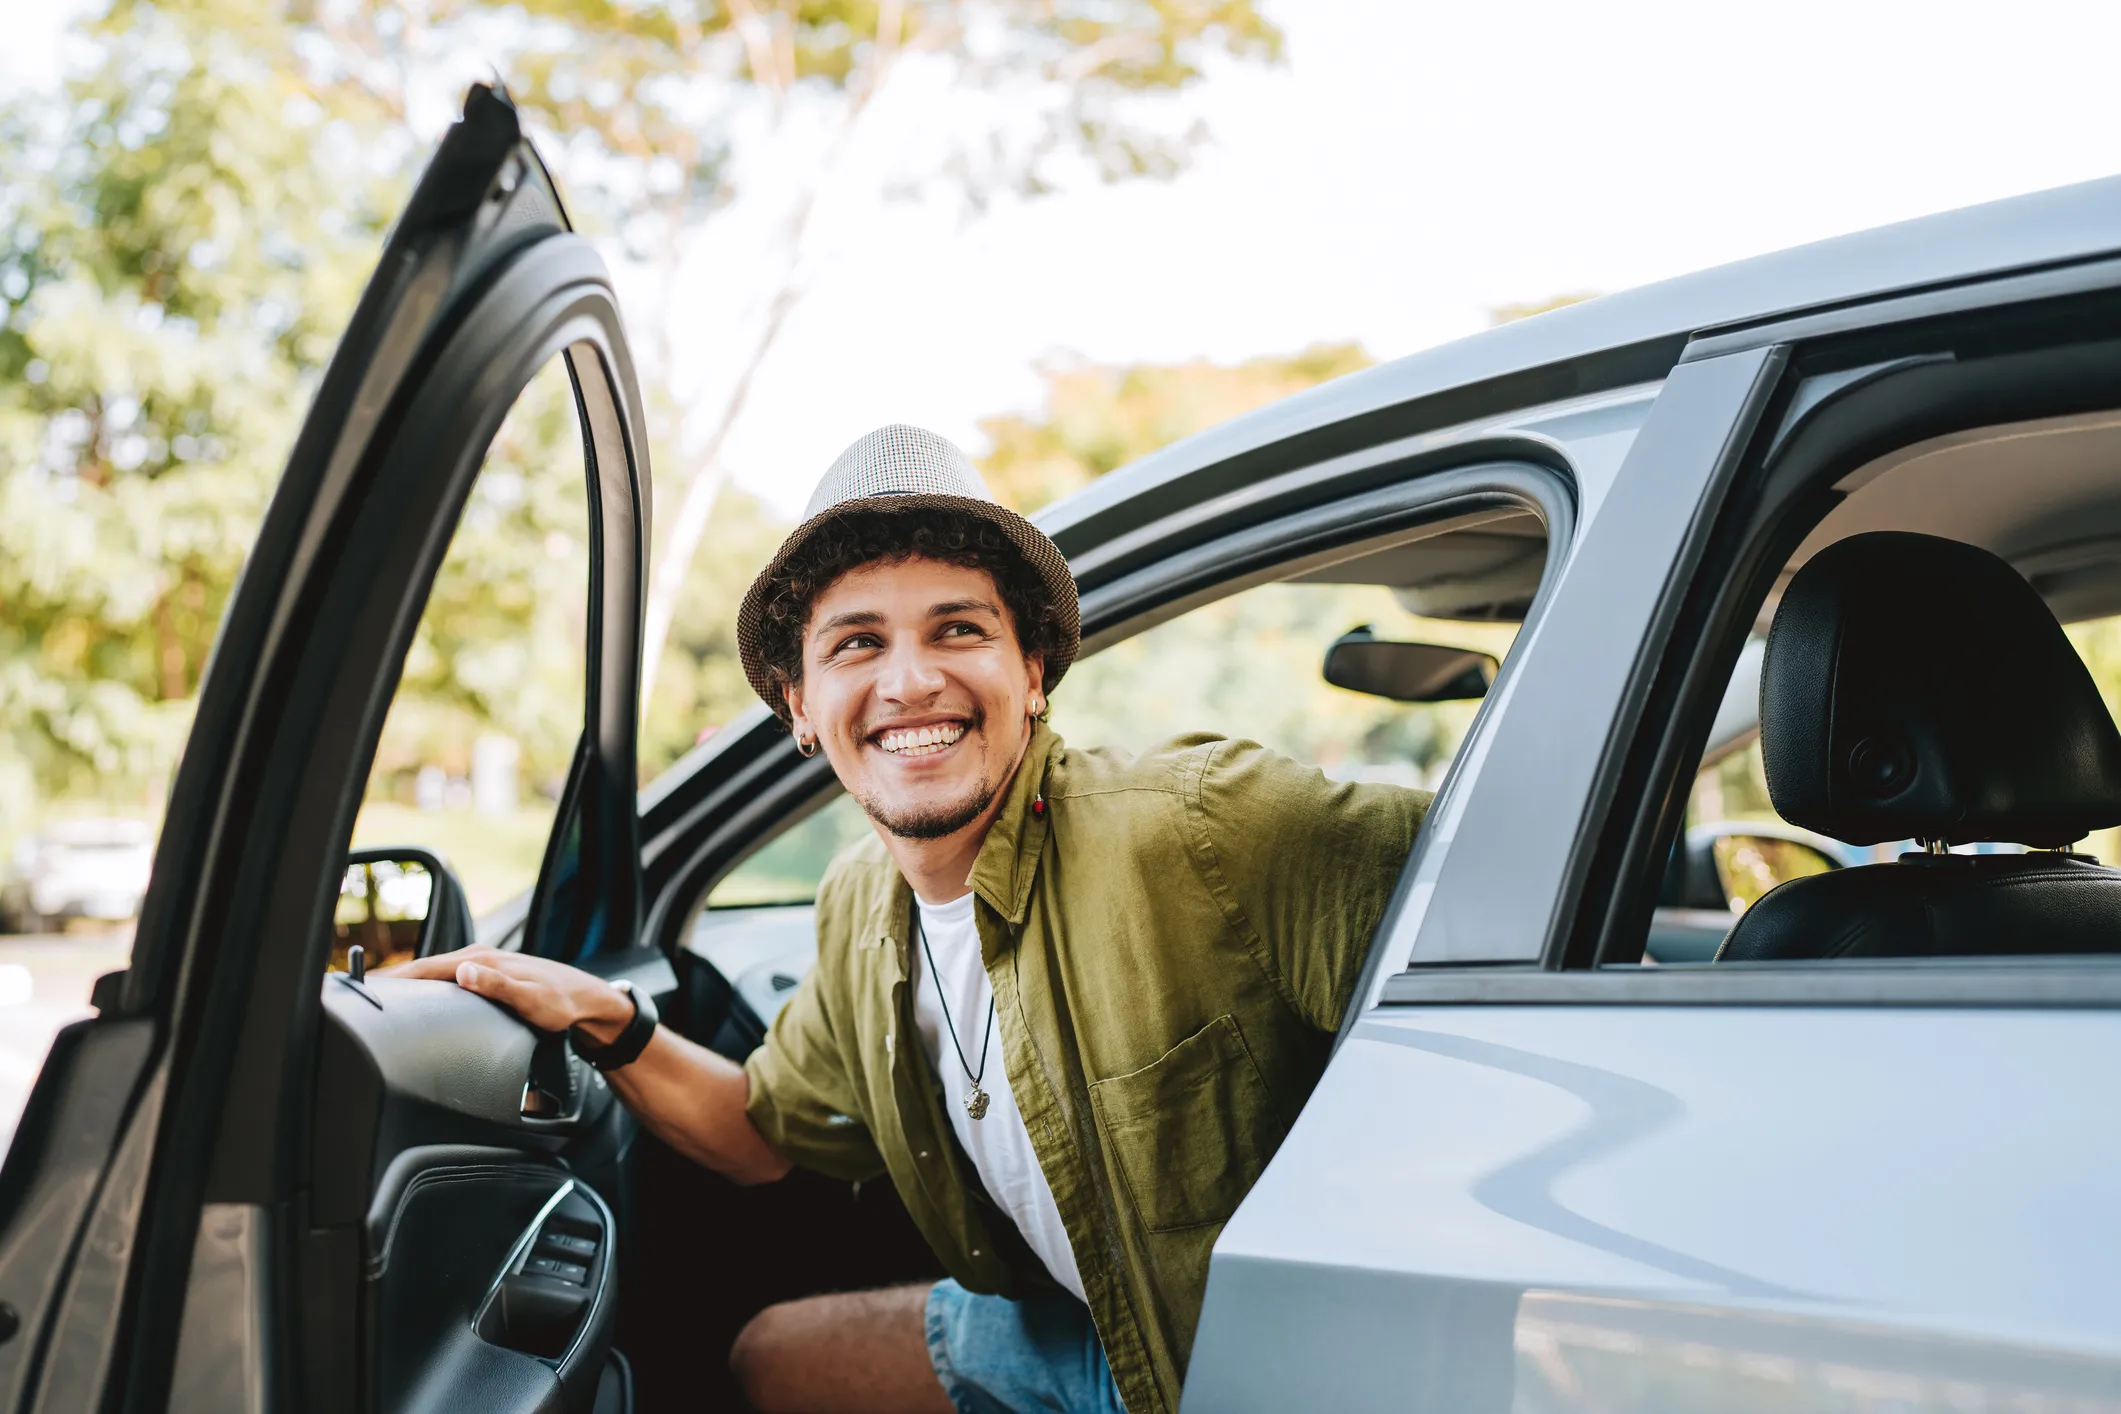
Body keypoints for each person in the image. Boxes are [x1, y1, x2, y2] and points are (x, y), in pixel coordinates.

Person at [391, 426, 1429, 1414]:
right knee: (773, 1358)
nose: (909, 678)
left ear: (1031, 672)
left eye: (958, 628)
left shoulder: (1212, 827)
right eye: (857, 641)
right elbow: (759, 1133)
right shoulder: (858, 902)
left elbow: (1528, 890)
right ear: (801, 706)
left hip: (1256, 1375)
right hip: (1083, 1334)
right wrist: (598, 1014)